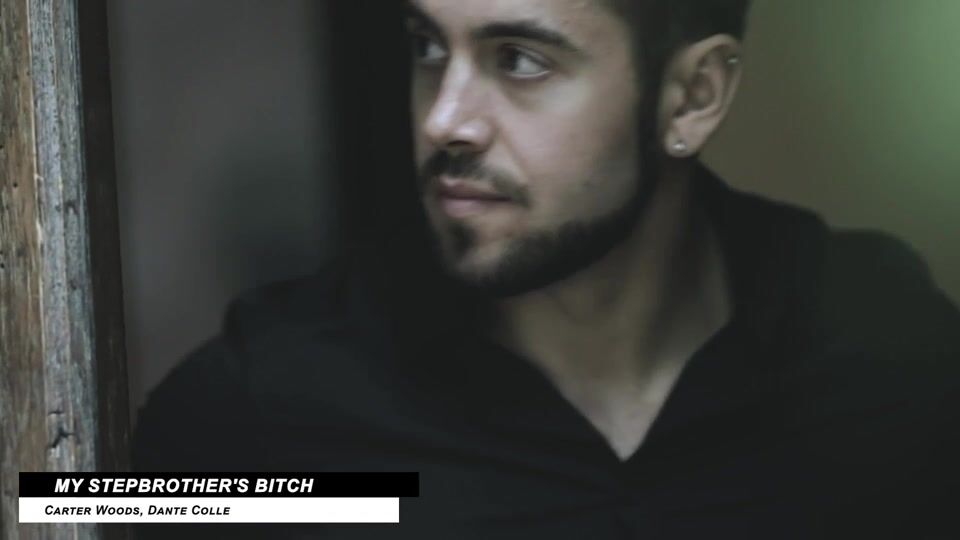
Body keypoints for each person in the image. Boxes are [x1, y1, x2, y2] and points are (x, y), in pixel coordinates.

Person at [135, 0, 960, 538]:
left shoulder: (883, 356)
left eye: (521, 60)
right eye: (427, 48)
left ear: (691, 97)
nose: (444, 120)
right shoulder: (265, 411)